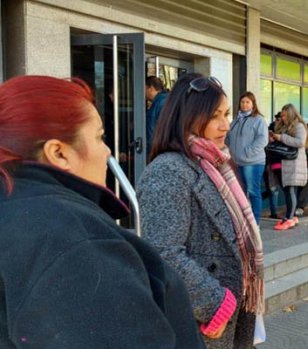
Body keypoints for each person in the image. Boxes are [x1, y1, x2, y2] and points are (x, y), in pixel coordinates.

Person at [0, 75, 206, 348]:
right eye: (99, 137)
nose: (107, 151)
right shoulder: (74, 241)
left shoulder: (17, 212)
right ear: (59, 153)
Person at [137, 74, 264, 349]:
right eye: (214, 115)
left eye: (226, 114)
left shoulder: (218, 163)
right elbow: (162, 251)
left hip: (231, 315)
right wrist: (217, 304)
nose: (225, 124)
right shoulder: (168, 171)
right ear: (188, 117)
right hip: (201, 323)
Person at [226, 91, 269, 224]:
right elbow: (228, 139)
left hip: (253, 162)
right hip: (238, 162)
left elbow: (263, 140)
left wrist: (247, 152)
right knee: (240, 192)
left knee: (253, 191)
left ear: (253, 104)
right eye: (242, 102)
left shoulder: (259, 120)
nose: (244, 105)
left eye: (247, 102)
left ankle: (255, 222)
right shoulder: (235, 121)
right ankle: (243, 221)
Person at [269, 103, 308, 231]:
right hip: (283, 163)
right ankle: (290, 216)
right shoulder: (283, 126)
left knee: (290, 190)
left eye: (285, 116)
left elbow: (300, 142)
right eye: (282, 116)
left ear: (291, 115)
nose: (283, 118)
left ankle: (289, 218)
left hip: (293, 163)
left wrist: (281, 137)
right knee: (287, 190)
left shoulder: (299, 126)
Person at [264, 112, 282, 218]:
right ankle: (274, 213)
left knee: (273, 188)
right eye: (277, 119)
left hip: (278, 163)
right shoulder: (269, 130)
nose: (278, 121)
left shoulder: (283, 132)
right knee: (273, 189)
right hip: (270, 163)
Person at [146, 76, 168, 157]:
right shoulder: (169, 100)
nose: (144, 93)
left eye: (144, 89)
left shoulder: (158, 104)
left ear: (151, 88)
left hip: (159, 151)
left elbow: (151, 130)